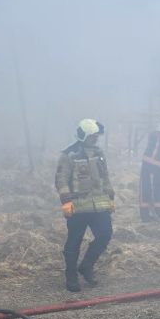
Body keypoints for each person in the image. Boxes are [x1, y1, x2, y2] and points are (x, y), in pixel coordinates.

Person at [55, 118, 115, 292]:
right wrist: (66, 201)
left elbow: (105, 177)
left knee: (105, 234)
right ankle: (71, 275)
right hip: (78, 206)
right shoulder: (69, 155)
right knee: (74, 241)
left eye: (97, 136)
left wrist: (110, 197)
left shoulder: (99, 152)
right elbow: (61, 179)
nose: (96, 139)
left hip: (99, 205)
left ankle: (87, 266)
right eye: (93, 136)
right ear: (84, 136)